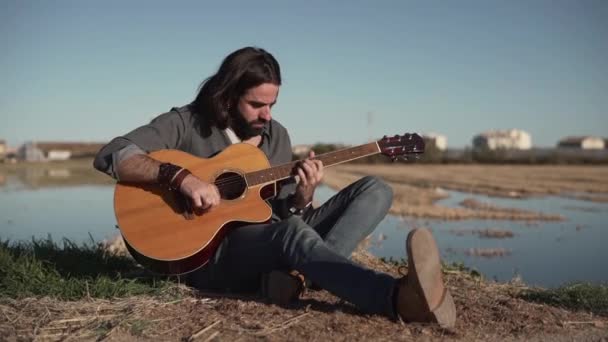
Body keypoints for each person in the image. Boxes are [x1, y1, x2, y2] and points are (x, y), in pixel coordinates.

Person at [93, 46, 456, 327]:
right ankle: (395, 298)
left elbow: (282, 214)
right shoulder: (187, 123)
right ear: (227, 94)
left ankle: (296, 279)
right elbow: (115, 153)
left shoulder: (276, 135)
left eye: (272, 104)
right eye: (256, 105)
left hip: (267, 241)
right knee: (292, 235)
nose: (267, 115)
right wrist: (182, 178)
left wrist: (304, 195)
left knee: (375, 190)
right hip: (204, 255)